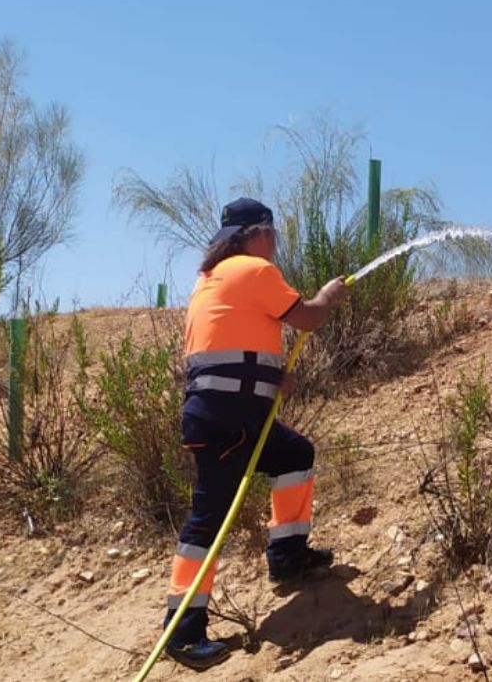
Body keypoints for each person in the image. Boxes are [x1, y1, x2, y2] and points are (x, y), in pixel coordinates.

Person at [162, 197, 350, 671]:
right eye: (274, 234)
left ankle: (287, 556)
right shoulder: (253, 269)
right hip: (229, 418)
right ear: (259, 232)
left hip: (225, 413)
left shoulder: (212, 278)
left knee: (294, 454)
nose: (276, 244)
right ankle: (182, 632)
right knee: (208, 518)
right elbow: (307, 317)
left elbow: (224, 350)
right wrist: (327, 296)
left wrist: (269, 381)